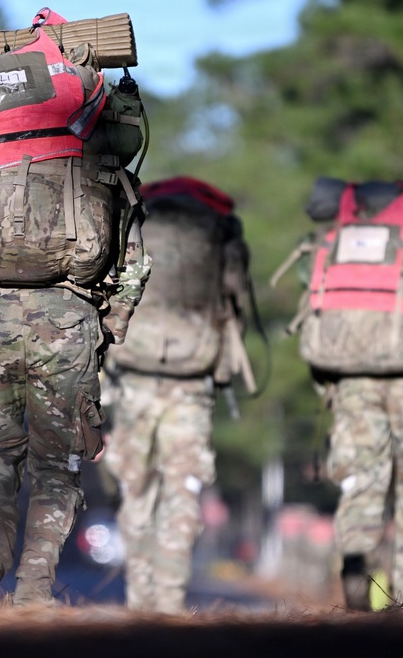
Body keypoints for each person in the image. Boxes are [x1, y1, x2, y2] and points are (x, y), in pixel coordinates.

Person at [0, 8, 151, 607]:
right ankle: (36, 589)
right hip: (67, 314)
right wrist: (113, 324)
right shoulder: (85, 117)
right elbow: (131, 239)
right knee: (58, 460)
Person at [273, 178, 403, 610]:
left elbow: (314, 314)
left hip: (351, 386)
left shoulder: (335, 244)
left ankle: (356, 598)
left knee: (359, 488)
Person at [100, 176, 254, 614]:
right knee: (183, 489)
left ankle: (139, 598)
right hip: (192, 378)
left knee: (137, 489)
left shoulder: (135, 221)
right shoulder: (219, 229)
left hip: (132, 374)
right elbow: (236, 297)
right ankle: (170, 601)